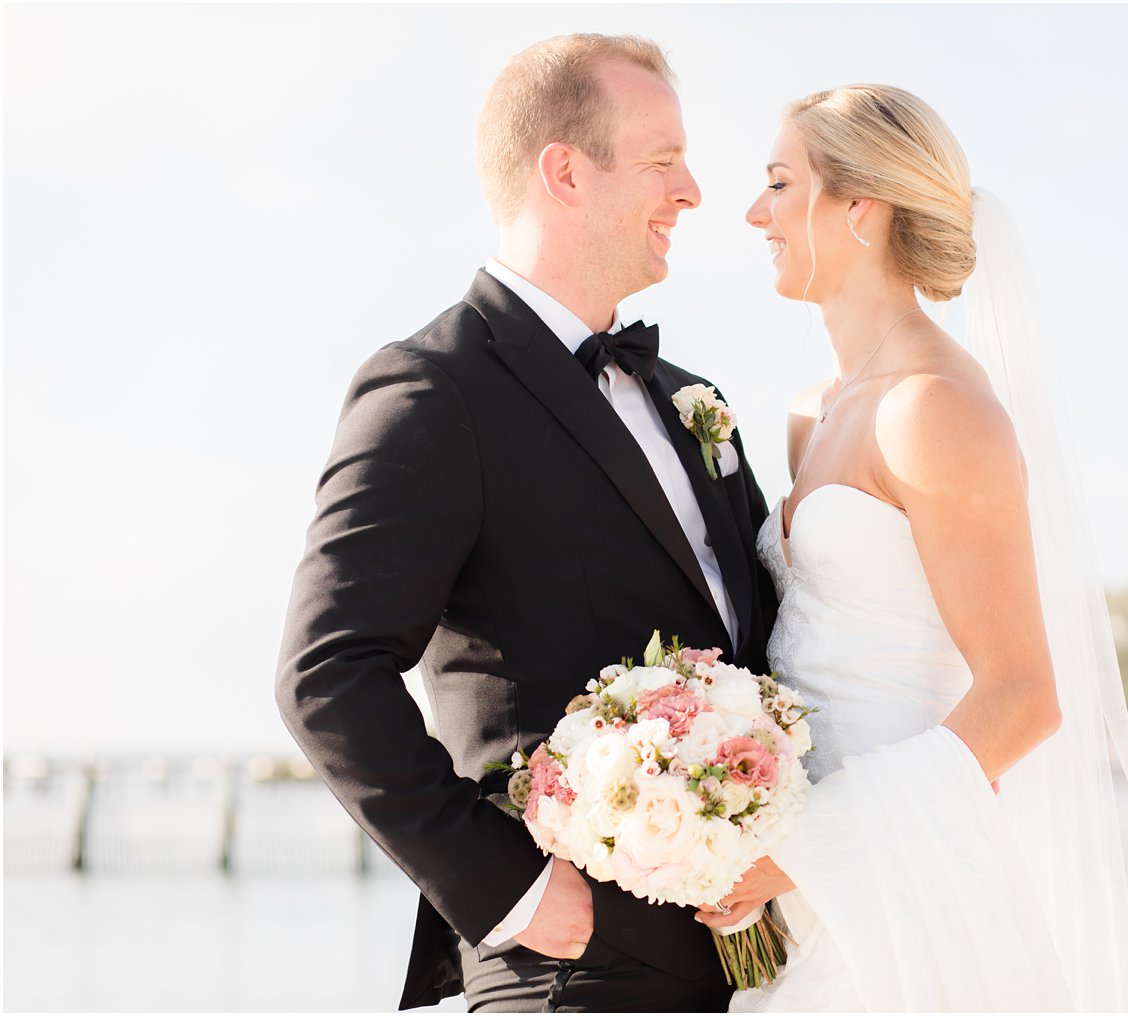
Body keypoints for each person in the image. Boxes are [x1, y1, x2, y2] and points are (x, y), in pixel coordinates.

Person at [275, 34, 776, 1012]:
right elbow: (327, 672)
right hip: (564, 971)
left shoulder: (690, 399)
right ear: (564, 171)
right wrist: (506, 886)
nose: (692, 191)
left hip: (753, 963)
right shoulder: (431, 387)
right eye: (662, 160)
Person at [698, 85, 1128, 1010]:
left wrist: (804, 850)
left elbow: (1024, 698)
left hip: (894, 873)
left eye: (780, 184)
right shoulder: (816, 411)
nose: (754, 212)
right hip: (790, 879)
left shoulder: (936, 406)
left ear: (859, 208)